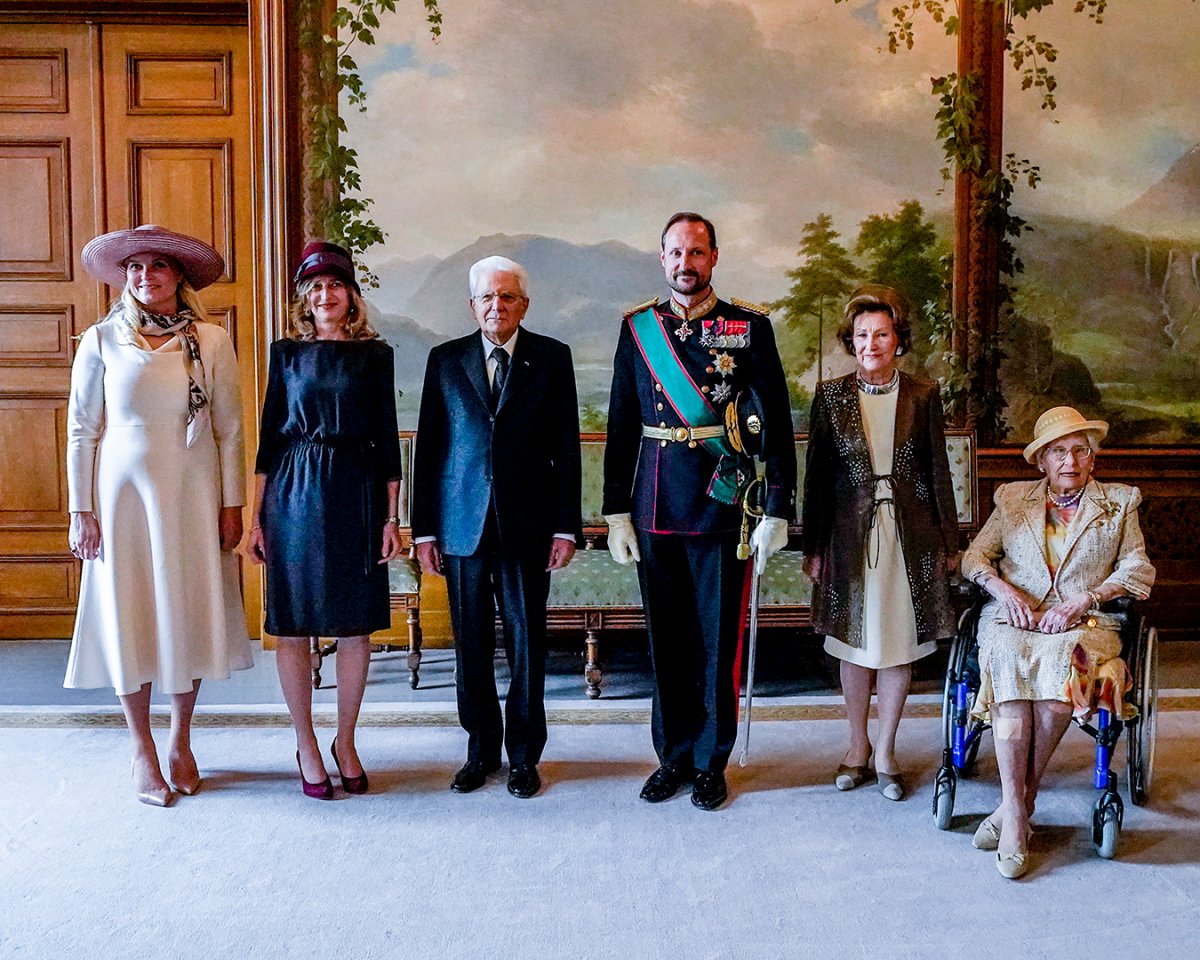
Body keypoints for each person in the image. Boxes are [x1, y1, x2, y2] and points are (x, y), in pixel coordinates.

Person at [603, 212, 795, 811]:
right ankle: (673, 756)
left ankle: (711, 761)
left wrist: (777, 508)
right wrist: (615, 514)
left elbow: (778, 423)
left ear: (714, 257)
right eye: (676, 253)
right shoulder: (638, 330)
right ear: (662, 259)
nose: (686, 263)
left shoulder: (749, 326)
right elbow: (619, 427)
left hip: (723, 504)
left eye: (697, 252)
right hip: (655, 502)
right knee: (666, 642)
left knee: (717, 644)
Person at [65, 224, 251, 807]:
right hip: (119, 499)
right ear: (125, 277)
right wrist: (80, 510)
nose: (146, 277)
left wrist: (231, 504)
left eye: (158, 267)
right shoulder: (99, 340)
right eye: (136, 268)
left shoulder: (213, 342)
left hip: (191, 494)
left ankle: (180, 740)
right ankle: (141, 748)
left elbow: (230, 429)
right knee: (130, 612)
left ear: (179, 277)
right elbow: (81, 429)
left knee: (184, 608)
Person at [412, 255, 581, 799]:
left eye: (507, 297)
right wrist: (424, 531)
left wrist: (565, 527)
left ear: (523, 304)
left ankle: (524, 757)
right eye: (486, 297)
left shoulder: (553, 359)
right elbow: (430, 449)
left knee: (528, 646)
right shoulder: (445, 360)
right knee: (471, 647)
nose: (496, 306)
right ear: (472, 304)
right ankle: (480, 750)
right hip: (461, 527)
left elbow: (566, 450)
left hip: (529, 527)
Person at [961, 406, 1154, 878]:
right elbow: (975, 556)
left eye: (1079, 451)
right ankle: (1017, 809)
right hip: (1015, 619)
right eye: (1058, 451)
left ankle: (1015, 812)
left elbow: (1137, 569)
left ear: (1092, 459)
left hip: (1083, 623)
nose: (1069, 460)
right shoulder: (1012, 500)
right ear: (1041, 461)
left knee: (1065, 663)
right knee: (1007, 663)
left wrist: (1086, 599)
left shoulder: (1118, 502)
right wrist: (1002, 591)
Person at [247, 241, 402, 800]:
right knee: (294, 622)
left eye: (335, 284)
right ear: (304, 298)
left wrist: (392, 518)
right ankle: (306, 742)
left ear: (351, 296)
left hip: (356, 490)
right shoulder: (286, 353)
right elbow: (268, 439)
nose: (325, 294)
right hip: (293, 492)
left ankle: (346, 740)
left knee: (355, 621)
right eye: (315, 286)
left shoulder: (375, 356)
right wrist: (256, 518)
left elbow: (388, 442)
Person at [801, 284, 959, 802]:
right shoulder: (830, 395)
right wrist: (813, 546)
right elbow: (818, 478)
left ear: (898, 340)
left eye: (882, 334)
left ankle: (888, 751)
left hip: (907, 537)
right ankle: (856, 747)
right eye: (862, 334)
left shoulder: (922, 394)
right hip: (848, 536)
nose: (871, 343)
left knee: (897, 642)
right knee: (852, 641)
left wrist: (948, 542)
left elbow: (938, 474)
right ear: (852, 340)